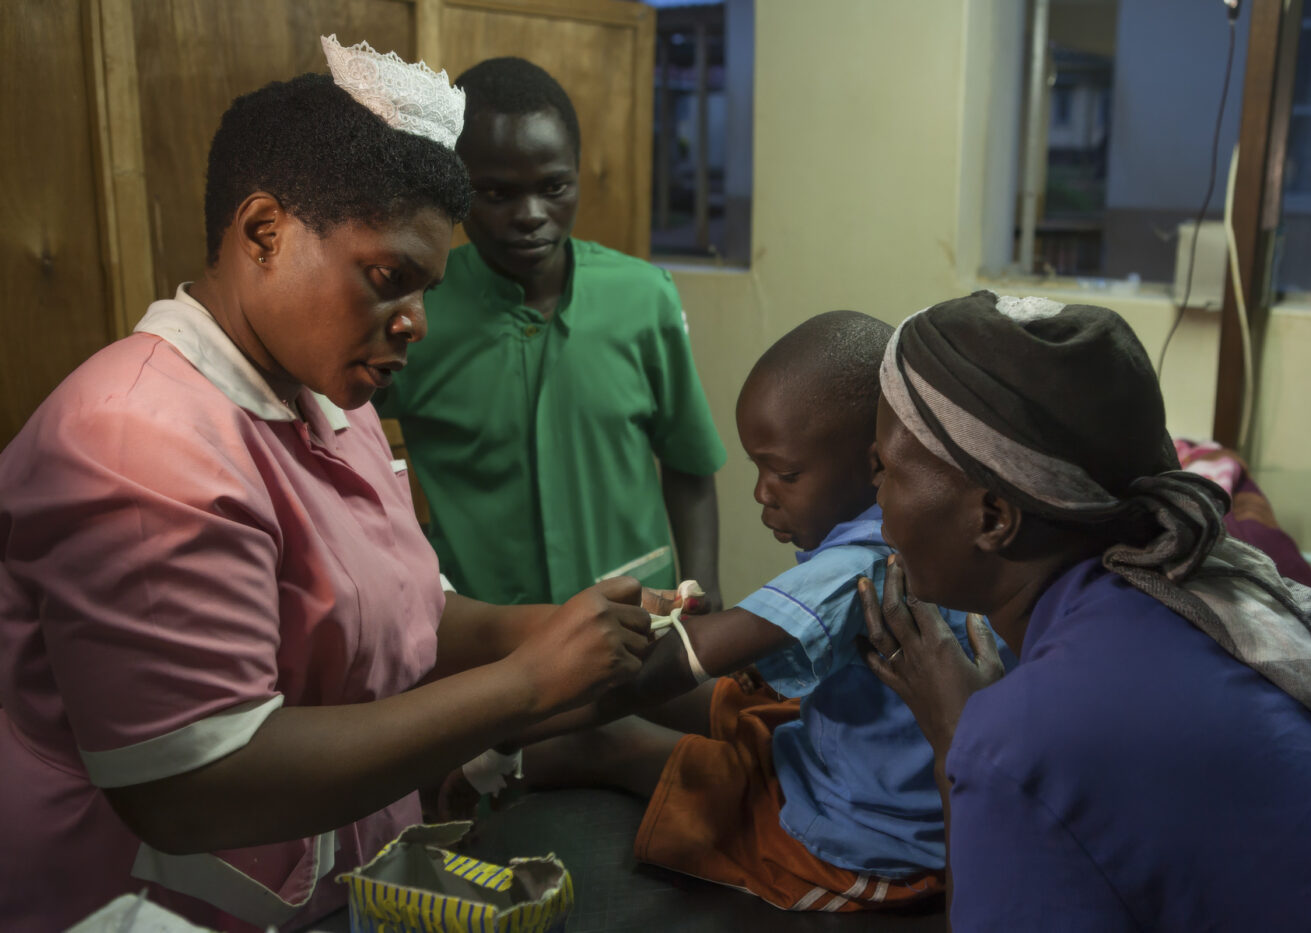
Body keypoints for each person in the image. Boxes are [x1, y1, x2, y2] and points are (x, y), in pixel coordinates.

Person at [0, 38, 663, 933]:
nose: (415, 323)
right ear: (264, 233)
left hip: (330, 882)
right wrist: (524, 685)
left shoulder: (324, 394)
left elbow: (406, 610)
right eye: (389, 279)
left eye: (425, 290)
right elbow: (198, 783)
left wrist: (564, 628)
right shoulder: (135, 441)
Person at [860, 291, 1311, 930]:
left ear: (993, 517)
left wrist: (956, 738)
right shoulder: (1202, 588)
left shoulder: (1021, 746)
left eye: (886, 466)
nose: (874, 487)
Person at [518, 311, 1014, 912]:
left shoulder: (856, 567)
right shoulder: (915, 532)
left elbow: (681, 664)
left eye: (785, 473)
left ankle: (547, 753)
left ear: (876, 463)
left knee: (654, 747)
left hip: (866, 835)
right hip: (870, 763)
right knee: (744, 700)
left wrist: (503, 718)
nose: (761, 493)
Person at [374, 56, 727, 607]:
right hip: (492, 636)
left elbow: (689, 462)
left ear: (578, 173)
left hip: (642, 617)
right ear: (455, 186)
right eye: (496, 194)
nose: (531, 215)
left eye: (555, 186)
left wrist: (704, 593)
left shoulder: (643, 297)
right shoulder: (414, 312)